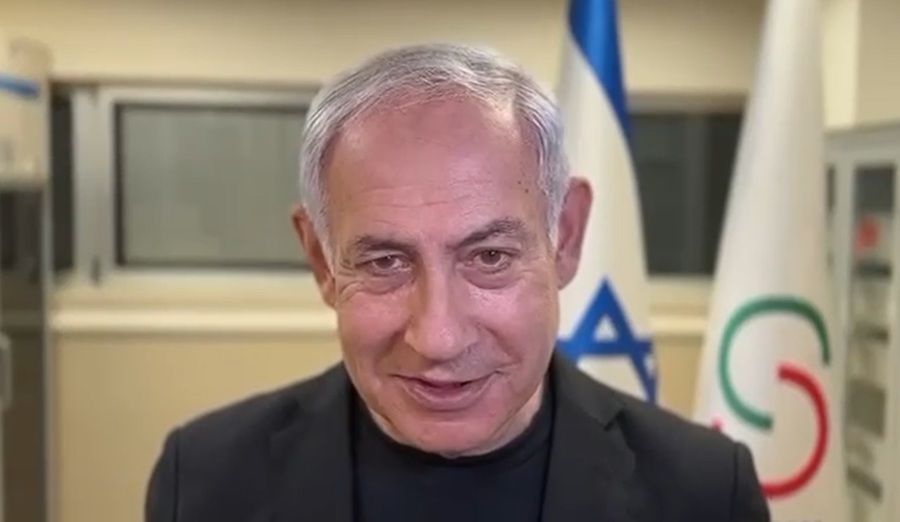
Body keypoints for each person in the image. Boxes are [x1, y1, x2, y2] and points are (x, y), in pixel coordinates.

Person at [144, 43, 770, 522]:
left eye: (489, 257)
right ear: (321, 260)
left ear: (565, 237)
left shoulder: (706, 493)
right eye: (385, 263)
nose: (439, 338)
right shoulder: (203, 482)